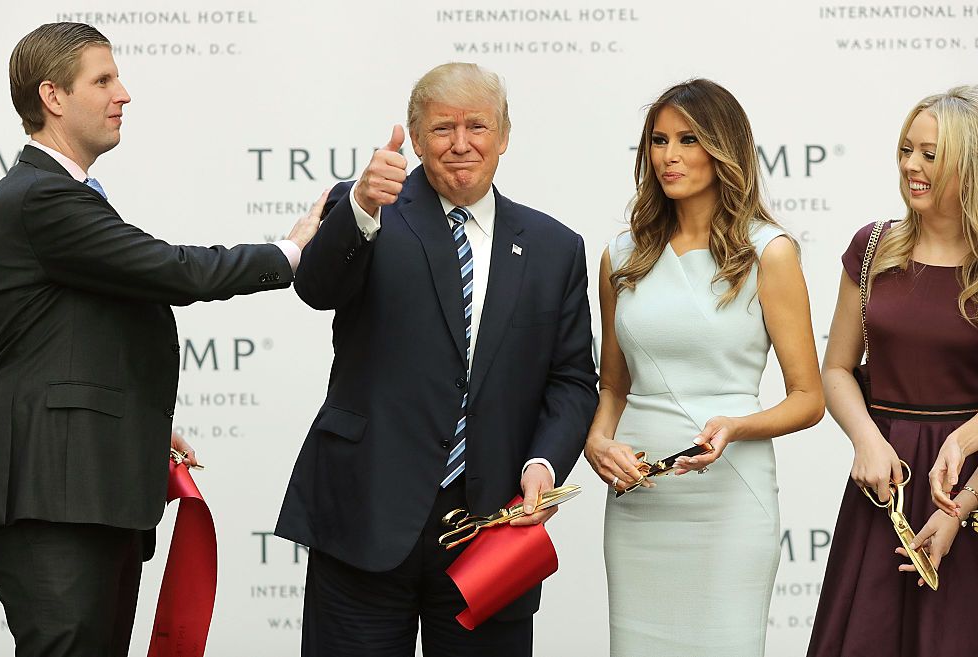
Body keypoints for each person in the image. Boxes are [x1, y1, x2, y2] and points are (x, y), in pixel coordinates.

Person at [0, 22, 324, 657]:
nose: (123, 94)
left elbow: (76, 337)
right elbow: (173, 270)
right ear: (52, 97)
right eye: (102, 80)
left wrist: (140, 420)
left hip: (91, 494)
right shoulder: (40, 196)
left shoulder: (61, 198)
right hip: (58, 499)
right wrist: (290, 252)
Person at [274, 62, 599, 656]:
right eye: (442, 128)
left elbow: (573, 379)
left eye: (478, 126)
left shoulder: (555, 247)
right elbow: (316, 288)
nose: (461, 143)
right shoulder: (372, 215)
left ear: (504, 136)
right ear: (416, 139)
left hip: (491, 528)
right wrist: (360, 209)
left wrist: (544, 465)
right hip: (366, 514)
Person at [583, 79, 824, 657]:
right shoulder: (620, 256)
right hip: (640, 495)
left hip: (730, 501)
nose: (669, 155)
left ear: (723, 148)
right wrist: (595, 441)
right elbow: (613, 385)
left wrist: (736, 426)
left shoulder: (770, 252)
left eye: (689, 139)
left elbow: (809, 398)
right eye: (659, 140)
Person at [809, 85, 978, 657]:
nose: (911, 165)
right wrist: (866, 441)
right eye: (907, 150)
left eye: (931, 154)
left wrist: (965, 506)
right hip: (885, 486)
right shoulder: (873, 246)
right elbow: (835, 369)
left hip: (968, 485)